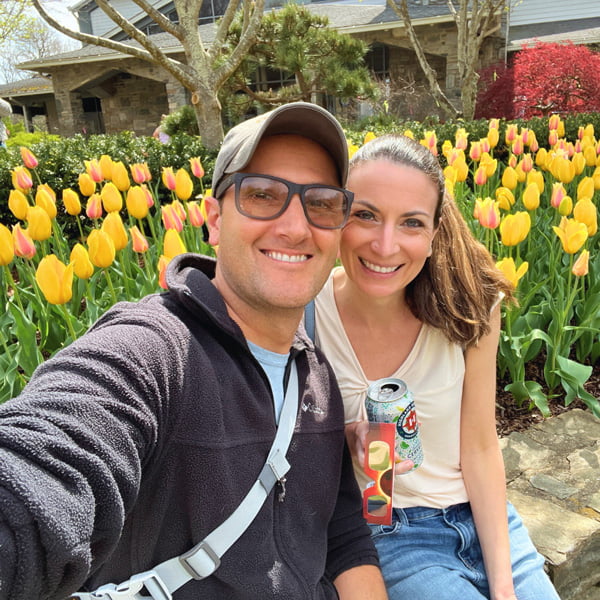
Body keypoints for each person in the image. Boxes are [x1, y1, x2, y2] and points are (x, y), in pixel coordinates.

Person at [0, 103, 387, 600]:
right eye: (262, 195)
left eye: (322, 202)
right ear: (214, 219)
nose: (295, 227)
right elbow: (46, 471)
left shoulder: (315, 376)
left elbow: (344, 536)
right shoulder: (155, 350)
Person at [312, 134, 560, 600]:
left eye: (411, 222)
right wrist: (348, 439)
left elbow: (482, 449)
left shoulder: (470, 308)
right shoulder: (307, 314)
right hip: (390, 532)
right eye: (365, 215)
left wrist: (505, 586)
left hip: (485, 521)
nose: (386, 245)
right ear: (339, 214)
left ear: (433, 232)